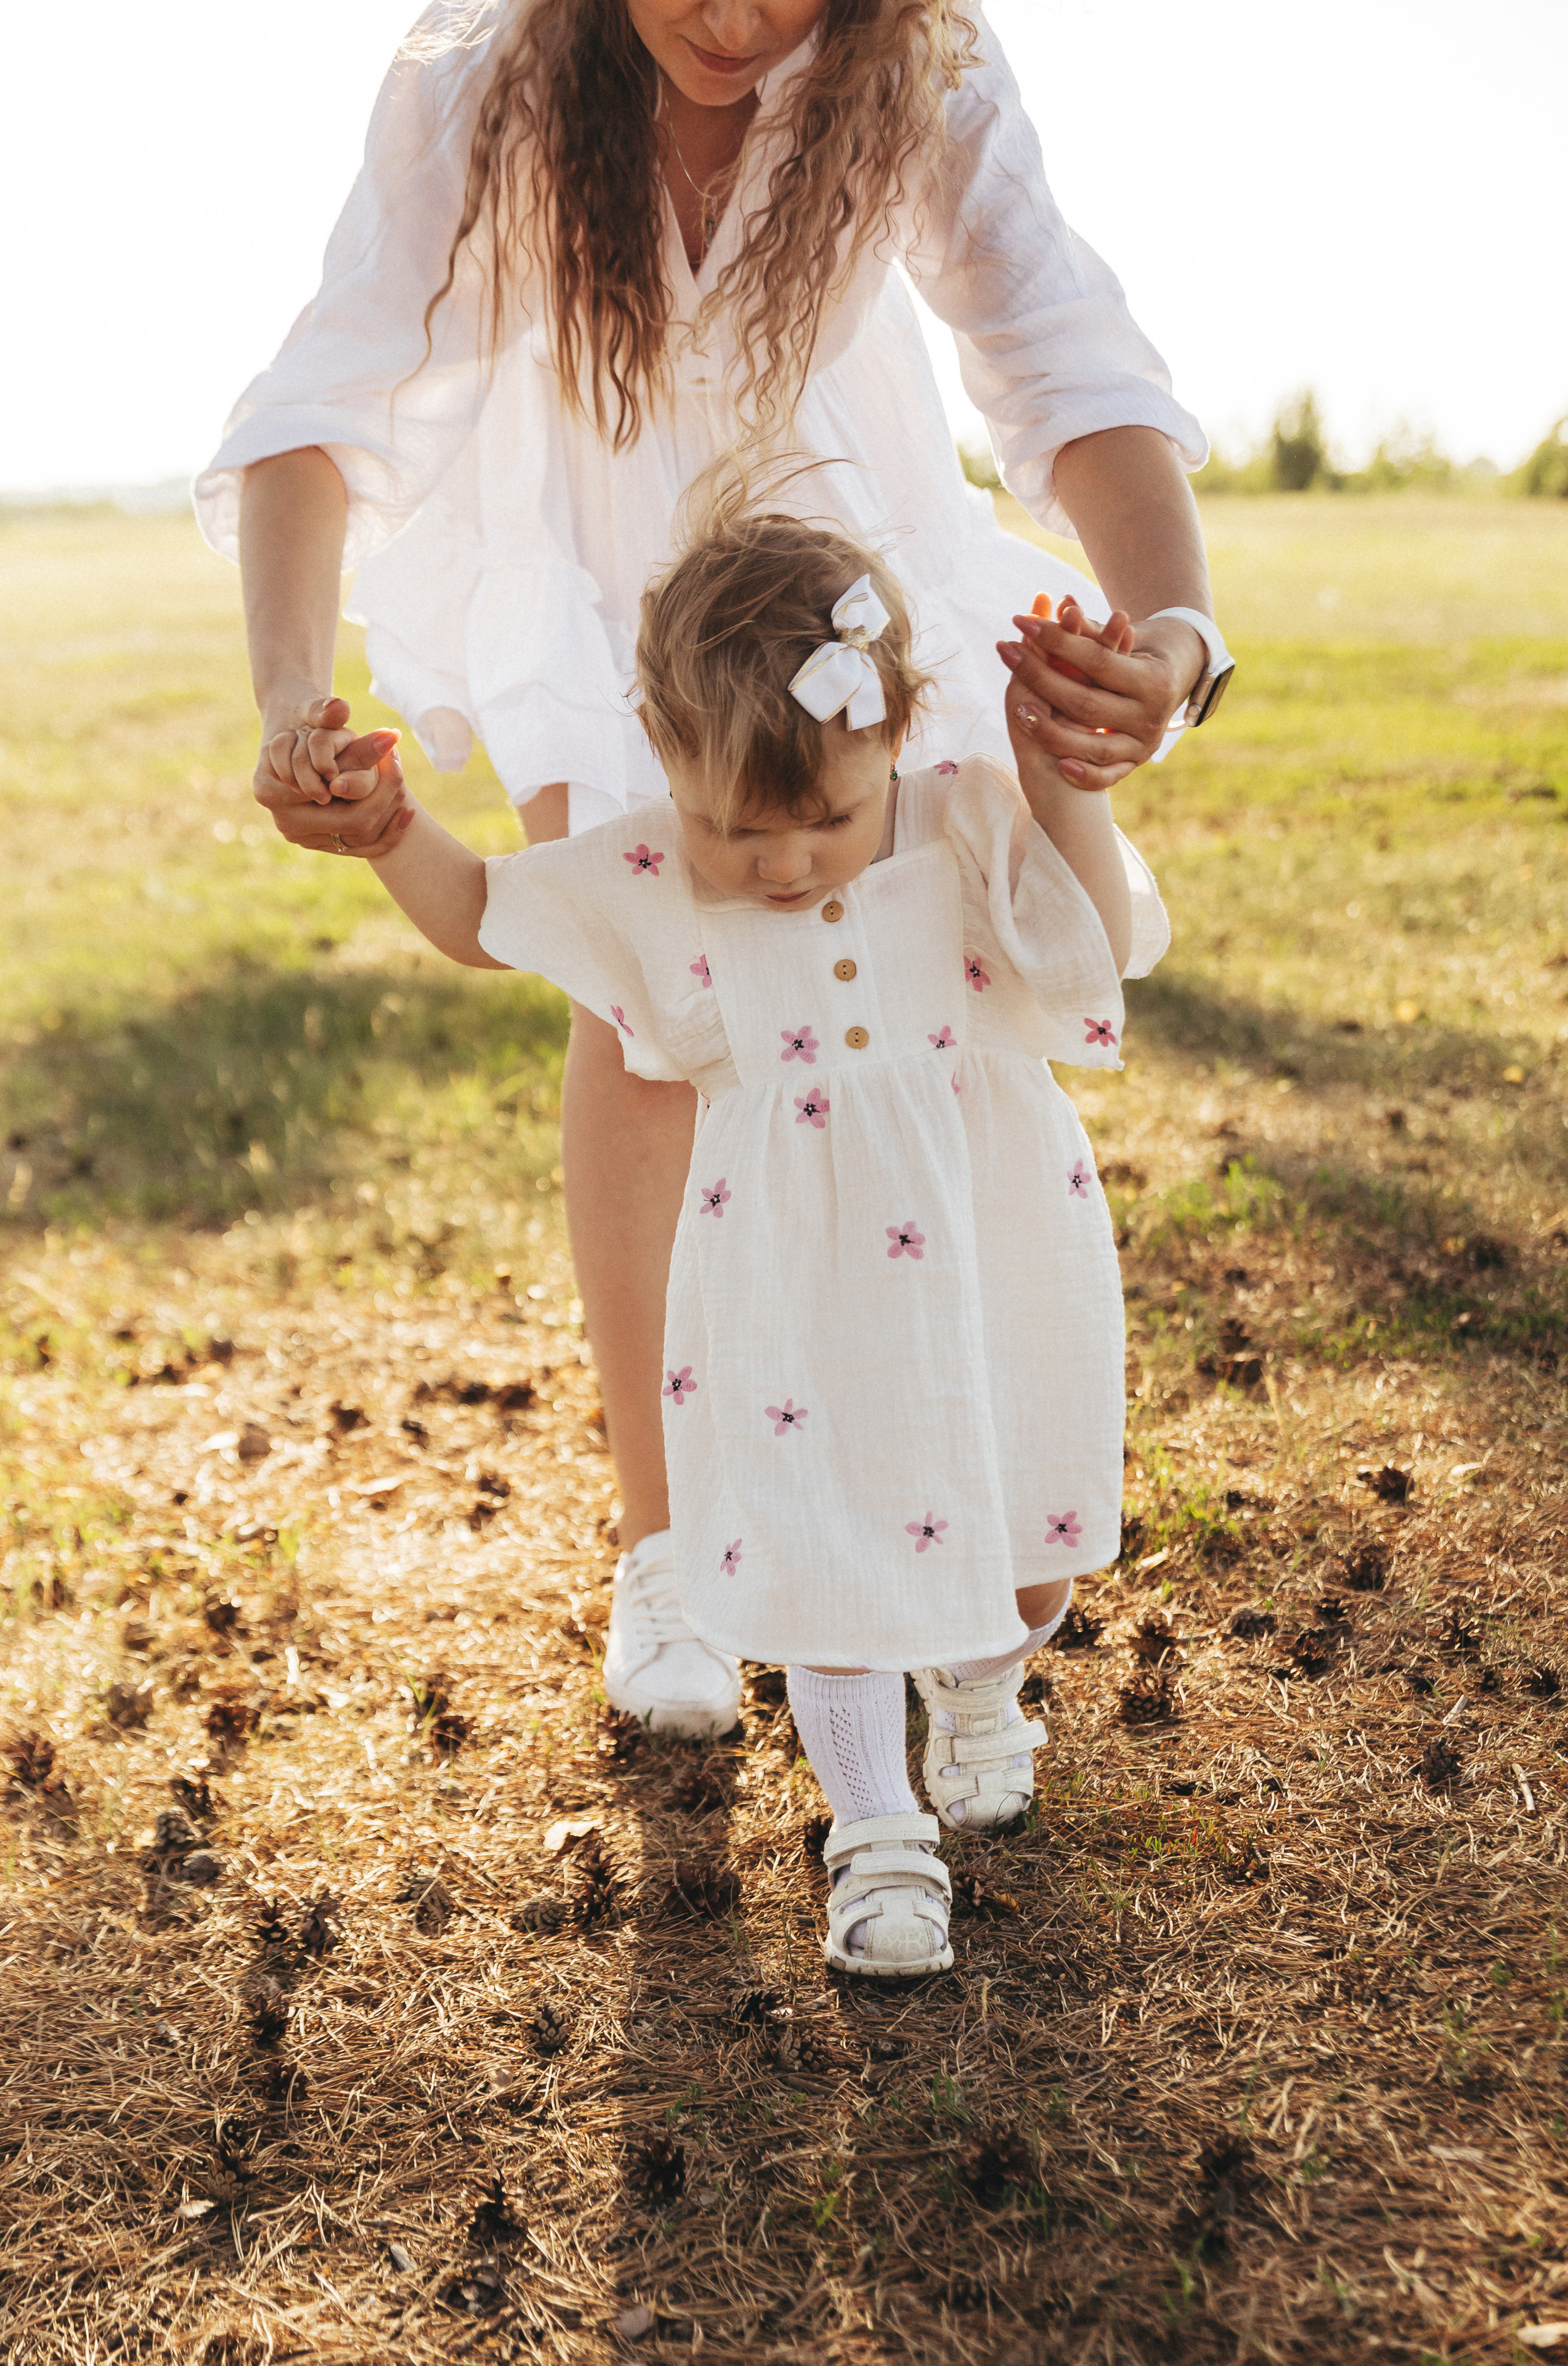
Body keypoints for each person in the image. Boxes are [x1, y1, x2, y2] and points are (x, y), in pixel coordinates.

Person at [195, 0, 1221, 1738]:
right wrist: (296, 693)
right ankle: (674, 1545)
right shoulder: (479, 85)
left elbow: (1064, 356)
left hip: (838, 605)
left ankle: (933, 1480)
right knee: (650, 1014)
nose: (738, 19)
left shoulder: (923, 72)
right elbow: (327, 392)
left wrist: (1181, 633)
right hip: (599, 612)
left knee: (930, 1027)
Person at [349, 495, 1169, 1976]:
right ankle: (874, 1836)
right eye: (743, 829)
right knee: (821, 1547)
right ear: (666, 761)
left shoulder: (965, 818)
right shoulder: (654, 865)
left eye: (827, 823)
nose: (788, 867)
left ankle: (984, 1690)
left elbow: (1094, 951)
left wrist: (1067, 791)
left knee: (1021, 1546)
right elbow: (482, 913)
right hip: (787, 1273)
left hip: (989, 1244)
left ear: (897, 739)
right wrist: (392, 825)